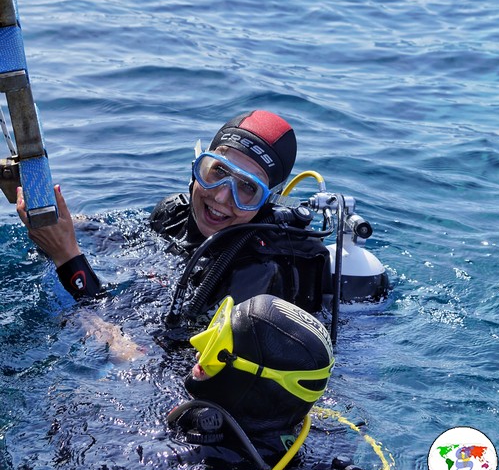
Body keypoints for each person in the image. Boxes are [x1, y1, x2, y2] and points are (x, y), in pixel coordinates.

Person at [16, 110, 332, 327]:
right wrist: (58, 217)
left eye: (247, 188)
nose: (221, 197)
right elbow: (124, 241)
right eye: (218, 171)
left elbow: (136, 357)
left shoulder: (257, 273)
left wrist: (67, 257)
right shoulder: (174, 214)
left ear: (267, 202)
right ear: (197, 165)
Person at [168, 292, 334, 465]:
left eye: (218, 347)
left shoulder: (195, 460)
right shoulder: (315, 435)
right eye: (215, 335)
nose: (197, 354)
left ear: (257, 385)